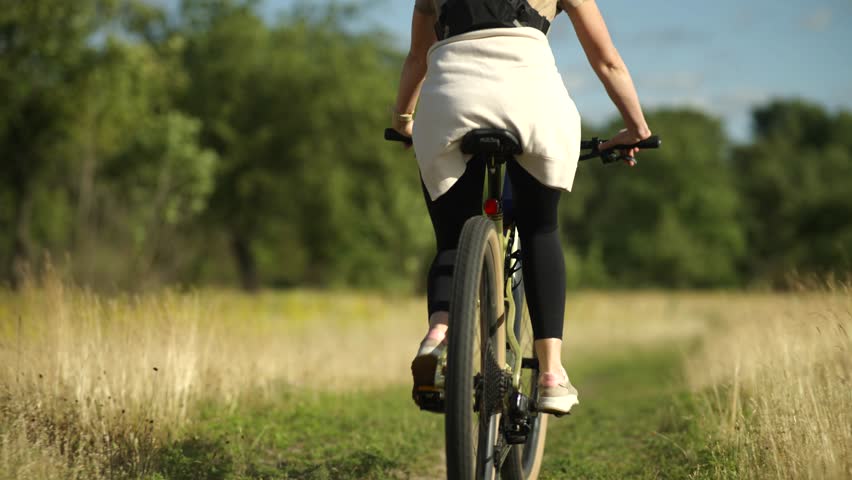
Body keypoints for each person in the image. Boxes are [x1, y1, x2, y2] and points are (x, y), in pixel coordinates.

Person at [392, 0, 652, 415]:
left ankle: (437, 338)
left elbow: (417, 58)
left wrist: (404, 120)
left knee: (452, 239)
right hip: (533, 103)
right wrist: (636, 129)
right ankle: (551, 375)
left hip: (449, 103)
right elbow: (607, 62)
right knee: (539, 229)